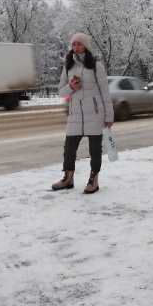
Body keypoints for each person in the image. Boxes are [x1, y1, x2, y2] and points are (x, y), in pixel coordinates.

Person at [53, 32, 113, 193]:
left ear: (85, 46)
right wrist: (71, 87)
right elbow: (61, 93)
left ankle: (94, 179)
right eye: (73, 44)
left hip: (95, 112)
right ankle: (68, 178)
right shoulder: (68, 66)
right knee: (69, 148)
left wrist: (109, 116)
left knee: (94, 149)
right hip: (75, 114)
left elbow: (105, 92)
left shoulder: (95, 66)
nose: (76, 47)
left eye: (79, 44)